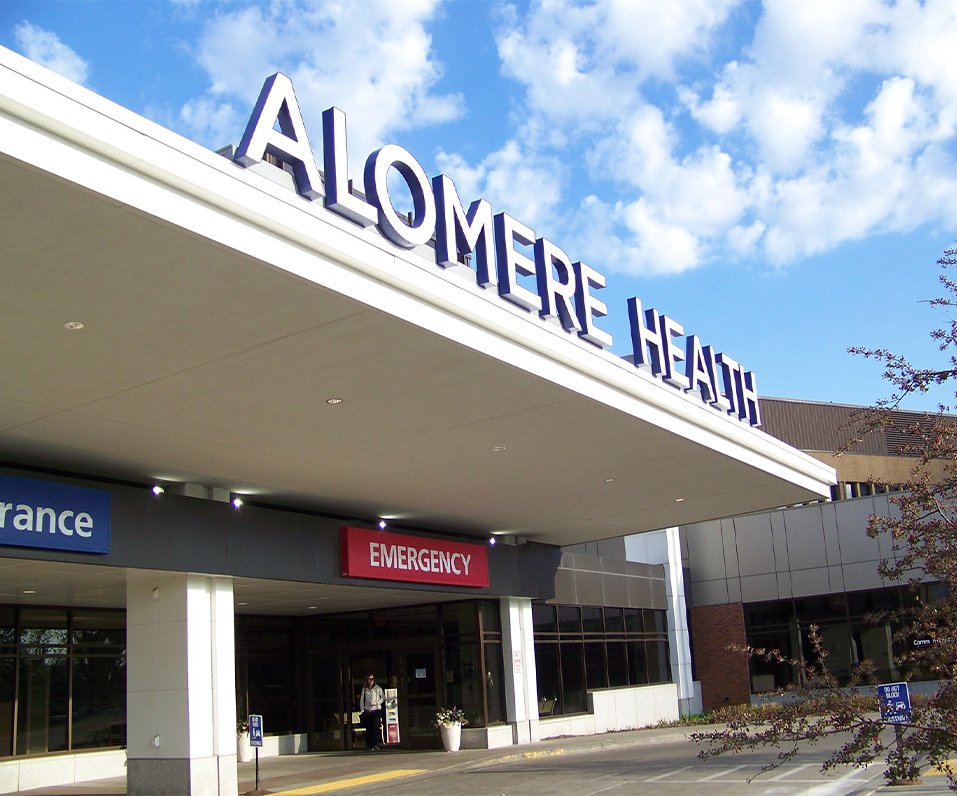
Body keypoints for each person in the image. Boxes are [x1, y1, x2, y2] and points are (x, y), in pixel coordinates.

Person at [359, 673, 384, 750]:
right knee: (369, 728)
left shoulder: (377, 688)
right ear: (367, 680)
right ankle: (370, 745)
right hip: (368, 710)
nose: (371, 681)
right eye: (369, 679)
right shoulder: (364, 689)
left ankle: (376, 744)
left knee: (375, 727)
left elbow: (383, 697)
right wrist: (362, 709)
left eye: (372, 679)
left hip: (376, 710)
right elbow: (362, 700)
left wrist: (378, 702)